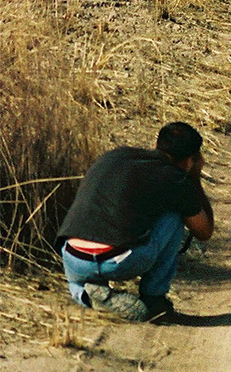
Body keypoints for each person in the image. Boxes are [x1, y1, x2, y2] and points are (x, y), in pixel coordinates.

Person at [55, 121, 214, 323]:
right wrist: (195, 177)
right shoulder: (176, 179)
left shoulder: (115, 156)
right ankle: (154, 301)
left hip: (72, 256)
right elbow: (204, 231)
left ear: (157, 145)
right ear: (190, 160)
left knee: (78, 278)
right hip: (117, 262)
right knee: (174, 218)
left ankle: (86, 297)